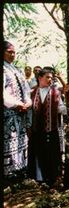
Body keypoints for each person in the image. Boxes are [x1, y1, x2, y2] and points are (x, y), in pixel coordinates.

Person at [30, 68, 67, 187]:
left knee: (52, 153)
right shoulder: (32, 92)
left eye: (51, 78)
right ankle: (39, 178)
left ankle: (53, 178)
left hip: (51, 128)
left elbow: (62, 108)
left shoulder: (56, 92)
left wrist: (66, 108)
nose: (50, 80)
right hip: (36, 130)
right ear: (40, 78)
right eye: (47, 77)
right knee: (38, 153)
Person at [3, 41, 32, 183]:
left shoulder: (17, 70)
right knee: (8, 141)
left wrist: (28, 103)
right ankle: (8, 174)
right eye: (9, 52)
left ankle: (19, 171)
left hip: (21, 114)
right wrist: (16, 104)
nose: (13, 55)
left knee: (20, 141)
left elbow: (26, 90)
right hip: (7, 114)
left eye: (14, 52)